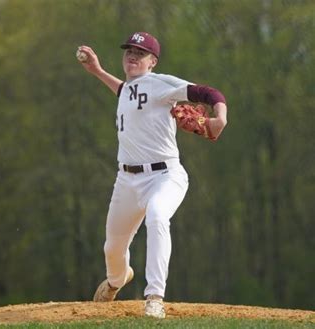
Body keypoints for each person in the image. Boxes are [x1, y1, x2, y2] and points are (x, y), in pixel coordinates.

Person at [77, 32, 227, 318]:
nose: (132, 56)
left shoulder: (160, 83)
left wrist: (220, 117)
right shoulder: (129, 89)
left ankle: (154, 297)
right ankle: (117, 281)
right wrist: (97, 71)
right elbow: (124, 91)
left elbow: (210, 94)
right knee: (113, 248)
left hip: (164, 176)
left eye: (140, 52)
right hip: (126, 181)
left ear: (153, 61)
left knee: (158, 215)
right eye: (129, 51)